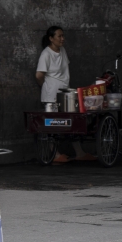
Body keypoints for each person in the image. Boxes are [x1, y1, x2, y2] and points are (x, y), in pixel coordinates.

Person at [35, 26, 96, 164]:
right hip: (51, 96)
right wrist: (46, 86)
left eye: (63, 36)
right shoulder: (46, 54)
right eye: (59, 36)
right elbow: (39, 75)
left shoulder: (62, 51)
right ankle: (55, 154)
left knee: (71, 124)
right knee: (51, 126)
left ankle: (79, 153)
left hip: (65, 95)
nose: (62, 39)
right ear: (51, 38)